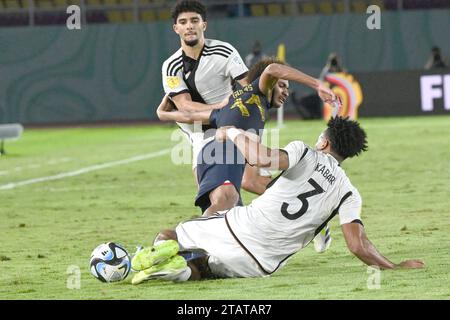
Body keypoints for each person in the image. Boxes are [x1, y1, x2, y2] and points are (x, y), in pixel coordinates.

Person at [130, 117, 425, 284]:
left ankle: (160, 256)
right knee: (204, 269)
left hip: (238, 228)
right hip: (260, 264)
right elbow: (358, 245)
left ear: (323, 142)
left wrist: (232, 132)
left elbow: (259, 157)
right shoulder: (349, 193)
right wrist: (394, 266)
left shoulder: (305, 151)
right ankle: (179, 270)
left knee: (172, 234)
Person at [157, 58, 337, 216]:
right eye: (282, 85)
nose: (286, 92)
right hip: (223, 152)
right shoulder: (255, 92)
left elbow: (190, 117)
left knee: (230, 219)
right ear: (269, 83)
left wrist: (163, 114)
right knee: (225, 203)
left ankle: (183, 245)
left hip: (210, 155)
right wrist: (318, 84)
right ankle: (184, 241)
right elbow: (273, 68)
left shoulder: (233, 103)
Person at [162, 0, 269, 196]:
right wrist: (221, 108)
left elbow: (248, 86)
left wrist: (258, 108)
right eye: (183, 22)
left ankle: (301, 208)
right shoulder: (171, 66)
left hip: (234, 124)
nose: (189, 26)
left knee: (251, 181)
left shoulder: (224, 51)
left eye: (194, 20)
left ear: (204, 25)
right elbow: (185, 106)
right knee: (212, 197)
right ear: (176, 28)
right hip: (200, 134)